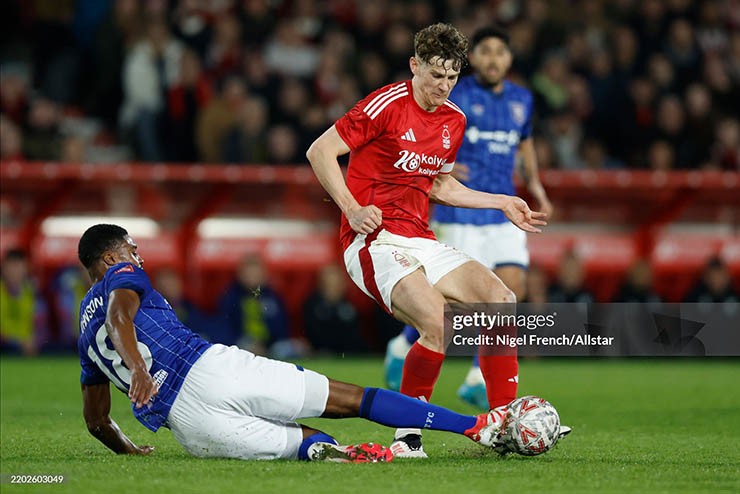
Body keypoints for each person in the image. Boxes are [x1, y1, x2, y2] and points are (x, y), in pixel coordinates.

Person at [305, 23, 547, 458]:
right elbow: (320, 151)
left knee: (501, 300)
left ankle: (505, 422)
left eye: (452, 77)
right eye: (436, 75)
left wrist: (503, 201)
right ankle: (408, 436)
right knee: (436, 323)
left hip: (420, 236)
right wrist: (351, 208)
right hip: (373, 239)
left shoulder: (454, 119)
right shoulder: (386, 104)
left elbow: (440, 186)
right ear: (414, 65)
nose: (444, 85)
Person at [76, 224, 508, 462]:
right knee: (350, 399)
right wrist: (137, 368)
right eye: (133, 250)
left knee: (310, 446)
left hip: (188, 427)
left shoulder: (82, 333)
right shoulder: (121, 276)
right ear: (112, 259)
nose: (139, 258)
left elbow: (97, 420)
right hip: (211, 370)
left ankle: (339, 453)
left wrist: (130, 449)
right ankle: (475, 427)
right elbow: (119, 316)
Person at [383, 26, 554, 411]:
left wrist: (537, 186)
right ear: (472, 58)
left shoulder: (522, 99)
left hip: (500, 209)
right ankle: (404, 343)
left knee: (509, 291)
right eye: (486, 51)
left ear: (509, 59)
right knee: (451, 306)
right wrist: (438, 170)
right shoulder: (452, 93)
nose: (493, 59)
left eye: (501, 52)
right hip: (461, 212)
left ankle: (479, 378)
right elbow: (429, 132)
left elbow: (524, 145)